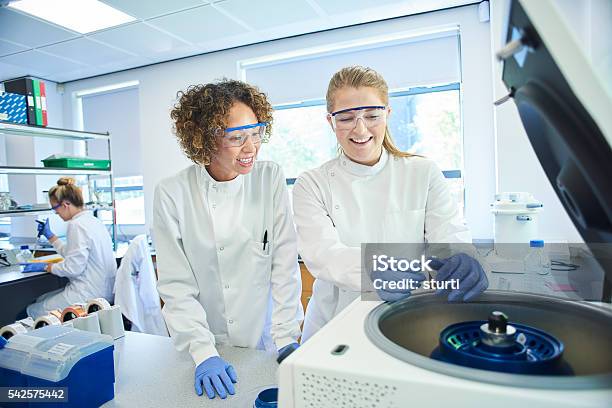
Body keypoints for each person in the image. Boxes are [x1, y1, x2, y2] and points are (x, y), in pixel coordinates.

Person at [293, 66, 489, 342]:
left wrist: (463, 259)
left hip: (410, 319)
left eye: (372, 115)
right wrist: (370, 268)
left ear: (388, 113)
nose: (360, 129)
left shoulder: (423, 172)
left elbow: (449, 235)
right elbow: (323, 255)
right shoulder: (312, 184)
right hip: (333, 328)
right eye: (347, 118)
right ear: (330, 121)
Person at [153, 79, 303, 400]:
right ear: (204, 141)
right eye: (236, 138)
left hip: (264, 340)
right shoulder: (172, 193)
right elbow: (176, 286)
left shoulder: (269, 178)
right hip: (204, 344)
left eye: (256, 132)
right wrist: (203, 351)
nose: (251, 148)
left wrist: (287, 336)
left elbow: (284, 265)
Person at [23, 177, 116, 319]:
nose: (56, 213)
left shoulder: (76, 225)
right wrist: (50, 236)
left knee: (33, 310)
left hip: (88, 294)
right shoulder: (93, 221)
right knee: (42, 299)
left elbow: (73, 268)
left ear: (66, 204)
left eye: (55, 208)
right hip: (105, 291)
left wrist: (47, 267)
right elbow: (72, 253)